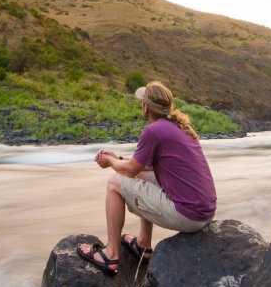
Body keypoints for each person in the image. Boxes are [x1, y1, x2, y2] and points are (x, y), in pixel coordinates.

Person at [77, 81, 217, 275]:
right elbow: (142, 167)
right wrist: (116, 158)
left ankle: (111, 254)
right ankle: (143, 244)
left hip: (189, 215)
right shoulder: (177, 128)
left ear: (145, 107)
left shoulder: (154, 131)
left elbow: (128, 170)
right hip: (204, 212)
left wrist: (109, 161)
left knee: (113, 183)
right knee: (144, 176)